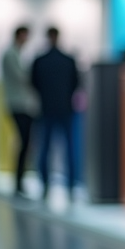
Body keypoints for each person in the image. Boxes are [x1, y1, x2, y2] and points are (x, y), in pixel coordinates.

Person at [30, 27, 80, 202]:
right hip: (65, 109)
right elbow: (76, 83)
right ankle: (71, 186)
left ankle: (45, 185)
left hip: (46, 109)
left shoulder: (40, 60)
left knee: (44, 148)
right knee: (69, 148)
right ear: (58, 37)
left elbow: (33, 83)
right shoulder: (69, 60)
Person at [0, 26, 39, 196]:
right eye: (26, 36)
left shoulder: (16, 54)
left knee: (25, 142)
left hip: (22, 105)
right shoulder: (10, 54)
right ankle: (18, 181)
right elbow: (22, 77)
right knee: (23, 142)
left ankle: (20, 180)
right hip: (18, 105)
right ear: (19, 35)